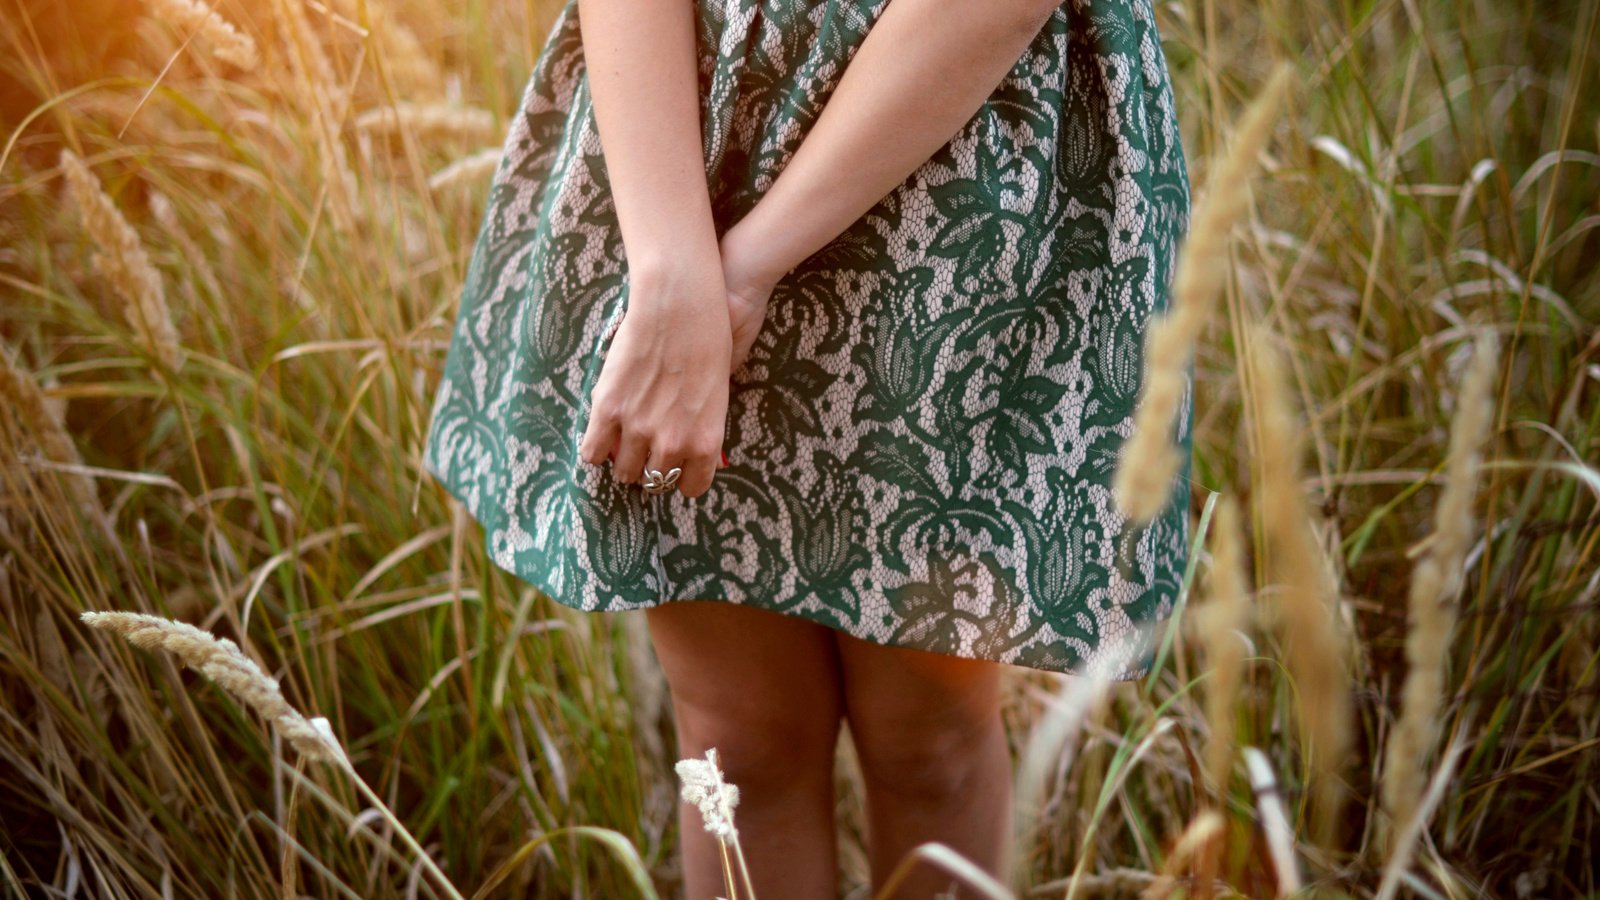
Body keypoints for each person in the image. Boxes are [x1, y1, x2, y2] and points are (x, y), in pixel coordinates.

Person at [421, 0, 1193, 896]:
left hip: (960, 167)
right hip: (687, 146)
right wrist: (674, 275)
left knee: (928, 740)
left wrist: (743, 278)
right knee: (738, 740)